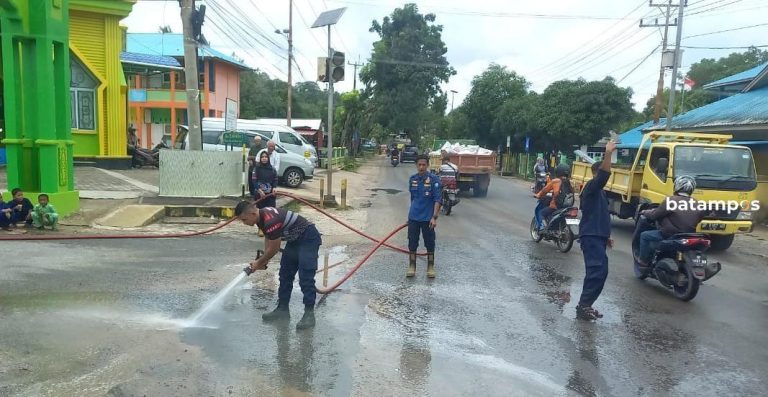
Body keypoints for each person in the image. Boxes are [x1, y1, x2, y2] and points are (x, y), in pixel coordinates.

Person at [235, 201, 322, 330]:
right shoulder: (261, 217)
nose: (244, 223)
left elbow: (275, 248)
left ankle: (309, 314)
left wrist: (259, 262)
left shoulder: (271, 220)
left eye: (244, 219)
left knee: (305, 277)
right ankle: (282, 310)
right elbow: (268, 238)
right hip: (294, 240)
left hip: (308, 238)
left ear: (252, 213)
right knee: (285, 274)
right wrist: (263, 260)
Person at [575, 141, 616, 321]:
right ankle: (583, 306)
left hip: (598, 236)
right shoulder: (592, 186)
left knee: (601, 272)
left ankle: (587, 304)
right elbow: (604, 175)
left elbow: (601, 215)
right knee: (596, 271)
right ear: (597, 173)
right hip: (590, 236)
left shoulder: (600, 193)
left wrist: (607, 236)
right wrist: (608, 153)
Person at [636, 175, 710, 268]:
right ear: (692, 189)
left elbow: (654, 215)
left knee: (644, 236)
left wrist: (644, 212)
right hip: (689, 235)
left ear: (677, 186)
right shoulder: (697, 203)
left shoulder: (671, 201)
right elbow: (698, 218)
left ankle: (643, 261)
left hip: (670, 234)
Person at [407, 154, 442, 278]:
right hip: (413, 217)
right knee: (412, 242)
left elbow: (438, 199)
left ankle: (430, 267)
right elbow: (413, 198)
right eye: (419, 165)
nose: (421, 167)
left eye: (424, 165)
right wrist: (410, 216)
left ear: (427, 165)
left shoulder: (434, 180)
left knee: (430, 242)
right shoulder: (412, 179)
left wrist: (434, 217)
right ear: (416, 165)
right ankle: (412, 266)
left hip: (428, 219)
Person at [534, 164, 572, 229]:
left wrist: (538, 195)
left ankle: (543, 227)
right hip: (567, 206)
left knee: (541, 213)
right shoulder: (569, 182)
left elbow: (544, 190)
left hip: (556, 206)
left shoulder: (555, 181)